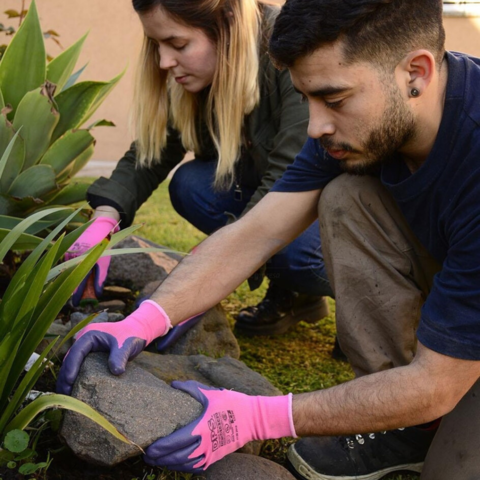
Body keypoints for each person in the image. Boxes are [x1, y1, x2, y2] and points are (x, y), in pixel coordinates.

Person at [58, 0, 480, 479]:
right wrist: (148, 318)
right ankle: (411, 429)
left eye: (334, 100)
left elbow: (437, 382)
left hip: (456, 349)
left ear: (416, 73)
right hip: (459, 288)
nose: (316, 125)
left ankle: (423, 414)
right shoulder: (359, 125)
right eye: (309, 100)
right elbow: (256, 230)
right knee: (345, 195)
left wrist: (261, 416)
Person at [67, 0, 333, 337]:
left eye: (178, 45)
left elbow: (290, 175)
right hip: (271, 194)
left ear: (227, 26)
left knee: (295, 252)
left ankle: (387, 301)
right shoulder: (199, 76)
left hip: (321, 207)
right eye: (157, 45)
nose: (164, 62)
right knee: (192, 185)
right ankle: (295, 296)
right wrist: (106, 216)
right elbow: (150, 153)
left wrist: (209, 272)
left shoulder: (289, 47)